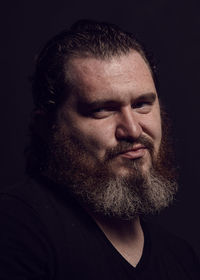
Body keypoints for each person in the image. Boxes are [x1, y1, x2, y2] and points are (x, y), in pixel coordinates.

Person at [0, 19, 199, 279]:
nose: (133, 130)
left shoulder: (182, 259)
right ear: (47, 126)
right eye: (102, 110)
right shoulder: (15, 227)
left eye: (142, 104)